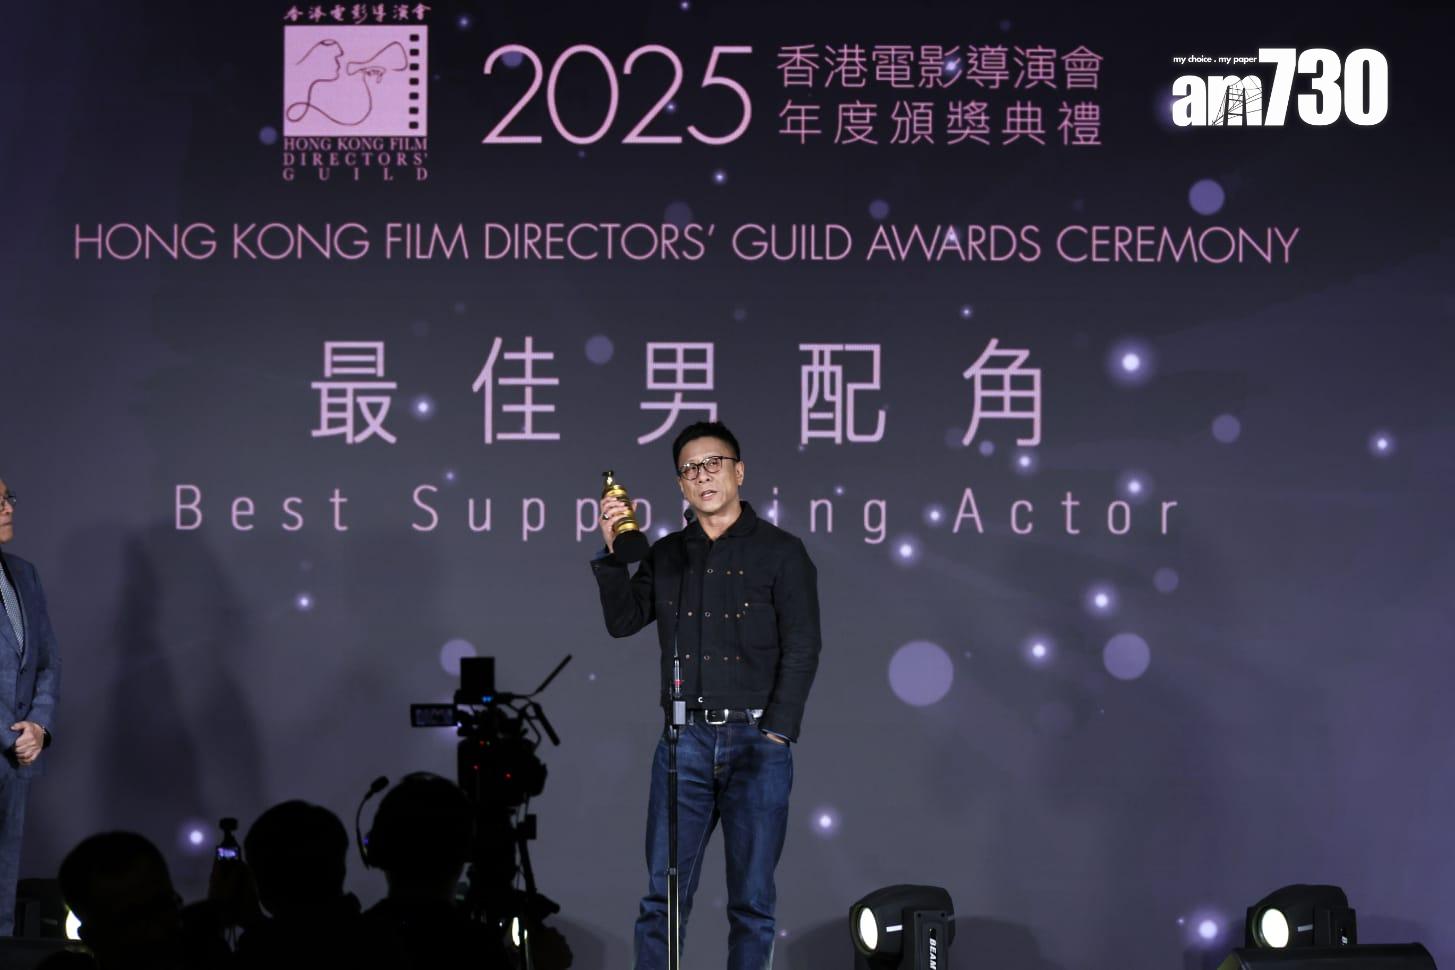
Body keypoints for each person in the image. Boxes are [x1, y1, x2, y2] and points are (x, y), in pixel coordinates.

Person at [592, 421, 821, 970]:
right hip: (684, 741)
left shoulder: (782, 552)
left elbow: (803, 645)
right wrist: (614, 555)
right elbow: (624, 622)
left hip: (758, 741)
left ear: (738, 471)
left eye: (713, 463)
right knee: (663, 898)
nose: (703, 476)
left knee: (753, 903)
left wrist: (777, 730)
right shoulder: (668, 553)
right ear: (681, 484)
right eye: (690, 469)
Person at [0, 478, 61, 936]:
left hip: (18, 757)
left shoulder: (24, 573)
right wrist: (10, 735)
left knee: (4, 884)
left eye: (8, 498)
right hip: (10, 744)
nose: (8, 508)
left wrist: (38, 726)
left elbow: (46, 659)